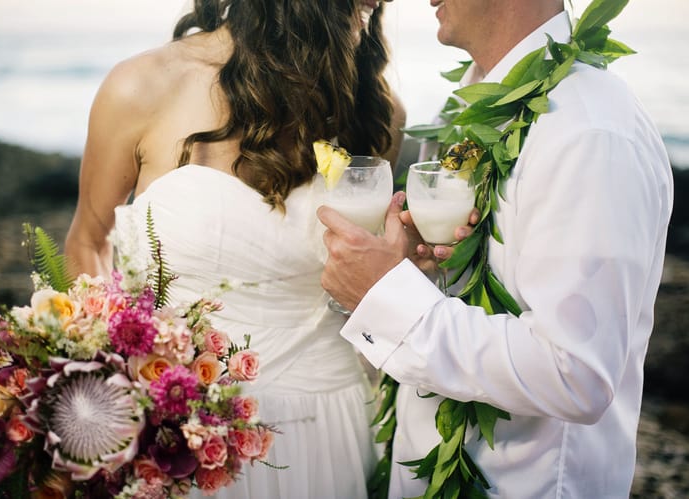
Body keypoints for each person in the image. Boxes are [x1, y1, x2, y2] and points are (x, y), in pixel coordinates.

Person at [317, 0, 673, 497]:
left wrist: (387, 298)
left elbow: (575, 373)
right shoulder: (468, 109)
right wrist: (416, 272)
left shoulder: (589, 132)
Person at [64, 1, 405, 497]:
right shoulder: (143, 86)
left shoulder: (376, 110)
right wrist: (100, 389)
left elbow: (367, 273)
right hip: (179, 432)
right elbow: (88, 240)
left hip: (329, 421)